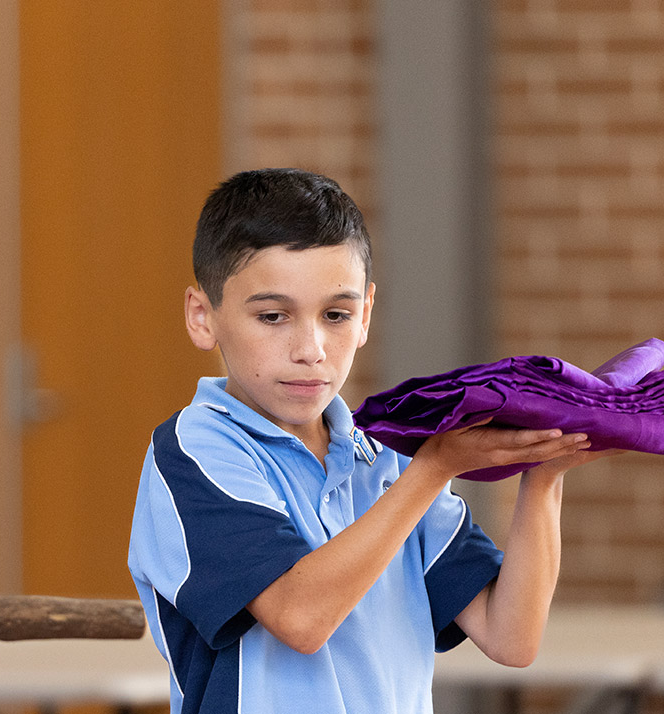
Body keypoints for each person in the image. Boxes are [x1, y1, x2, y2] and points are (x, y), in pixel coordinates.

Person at [127, 168, 622, 713]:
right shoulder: (195, 449)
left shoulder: (389, 456)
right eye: (272, 316)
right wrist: (434, 469)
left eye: (335, 315)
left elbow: (512, 637)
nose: (311, 349)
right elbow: (300, 617)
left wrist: (546, 471)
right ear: (202, 317)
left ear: (364, 315)